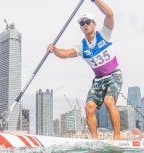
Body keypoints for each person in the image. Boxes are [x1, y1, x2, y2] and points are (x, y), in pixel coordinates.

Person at [47, 0, 122, 140]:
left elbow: (110, 14)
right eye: (82, 23)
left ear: (94, 24)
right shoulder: (81, 46)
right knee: (89, 108)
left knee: (109, 102)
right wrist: (55, 50)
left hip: (114, 76)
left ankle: (117, 138)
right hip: (99, 80)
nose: (85, 25)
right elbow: (67, 53)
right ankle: (95, 140)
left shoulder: (104, 34)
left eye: (88, 22)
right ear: (81, 28)